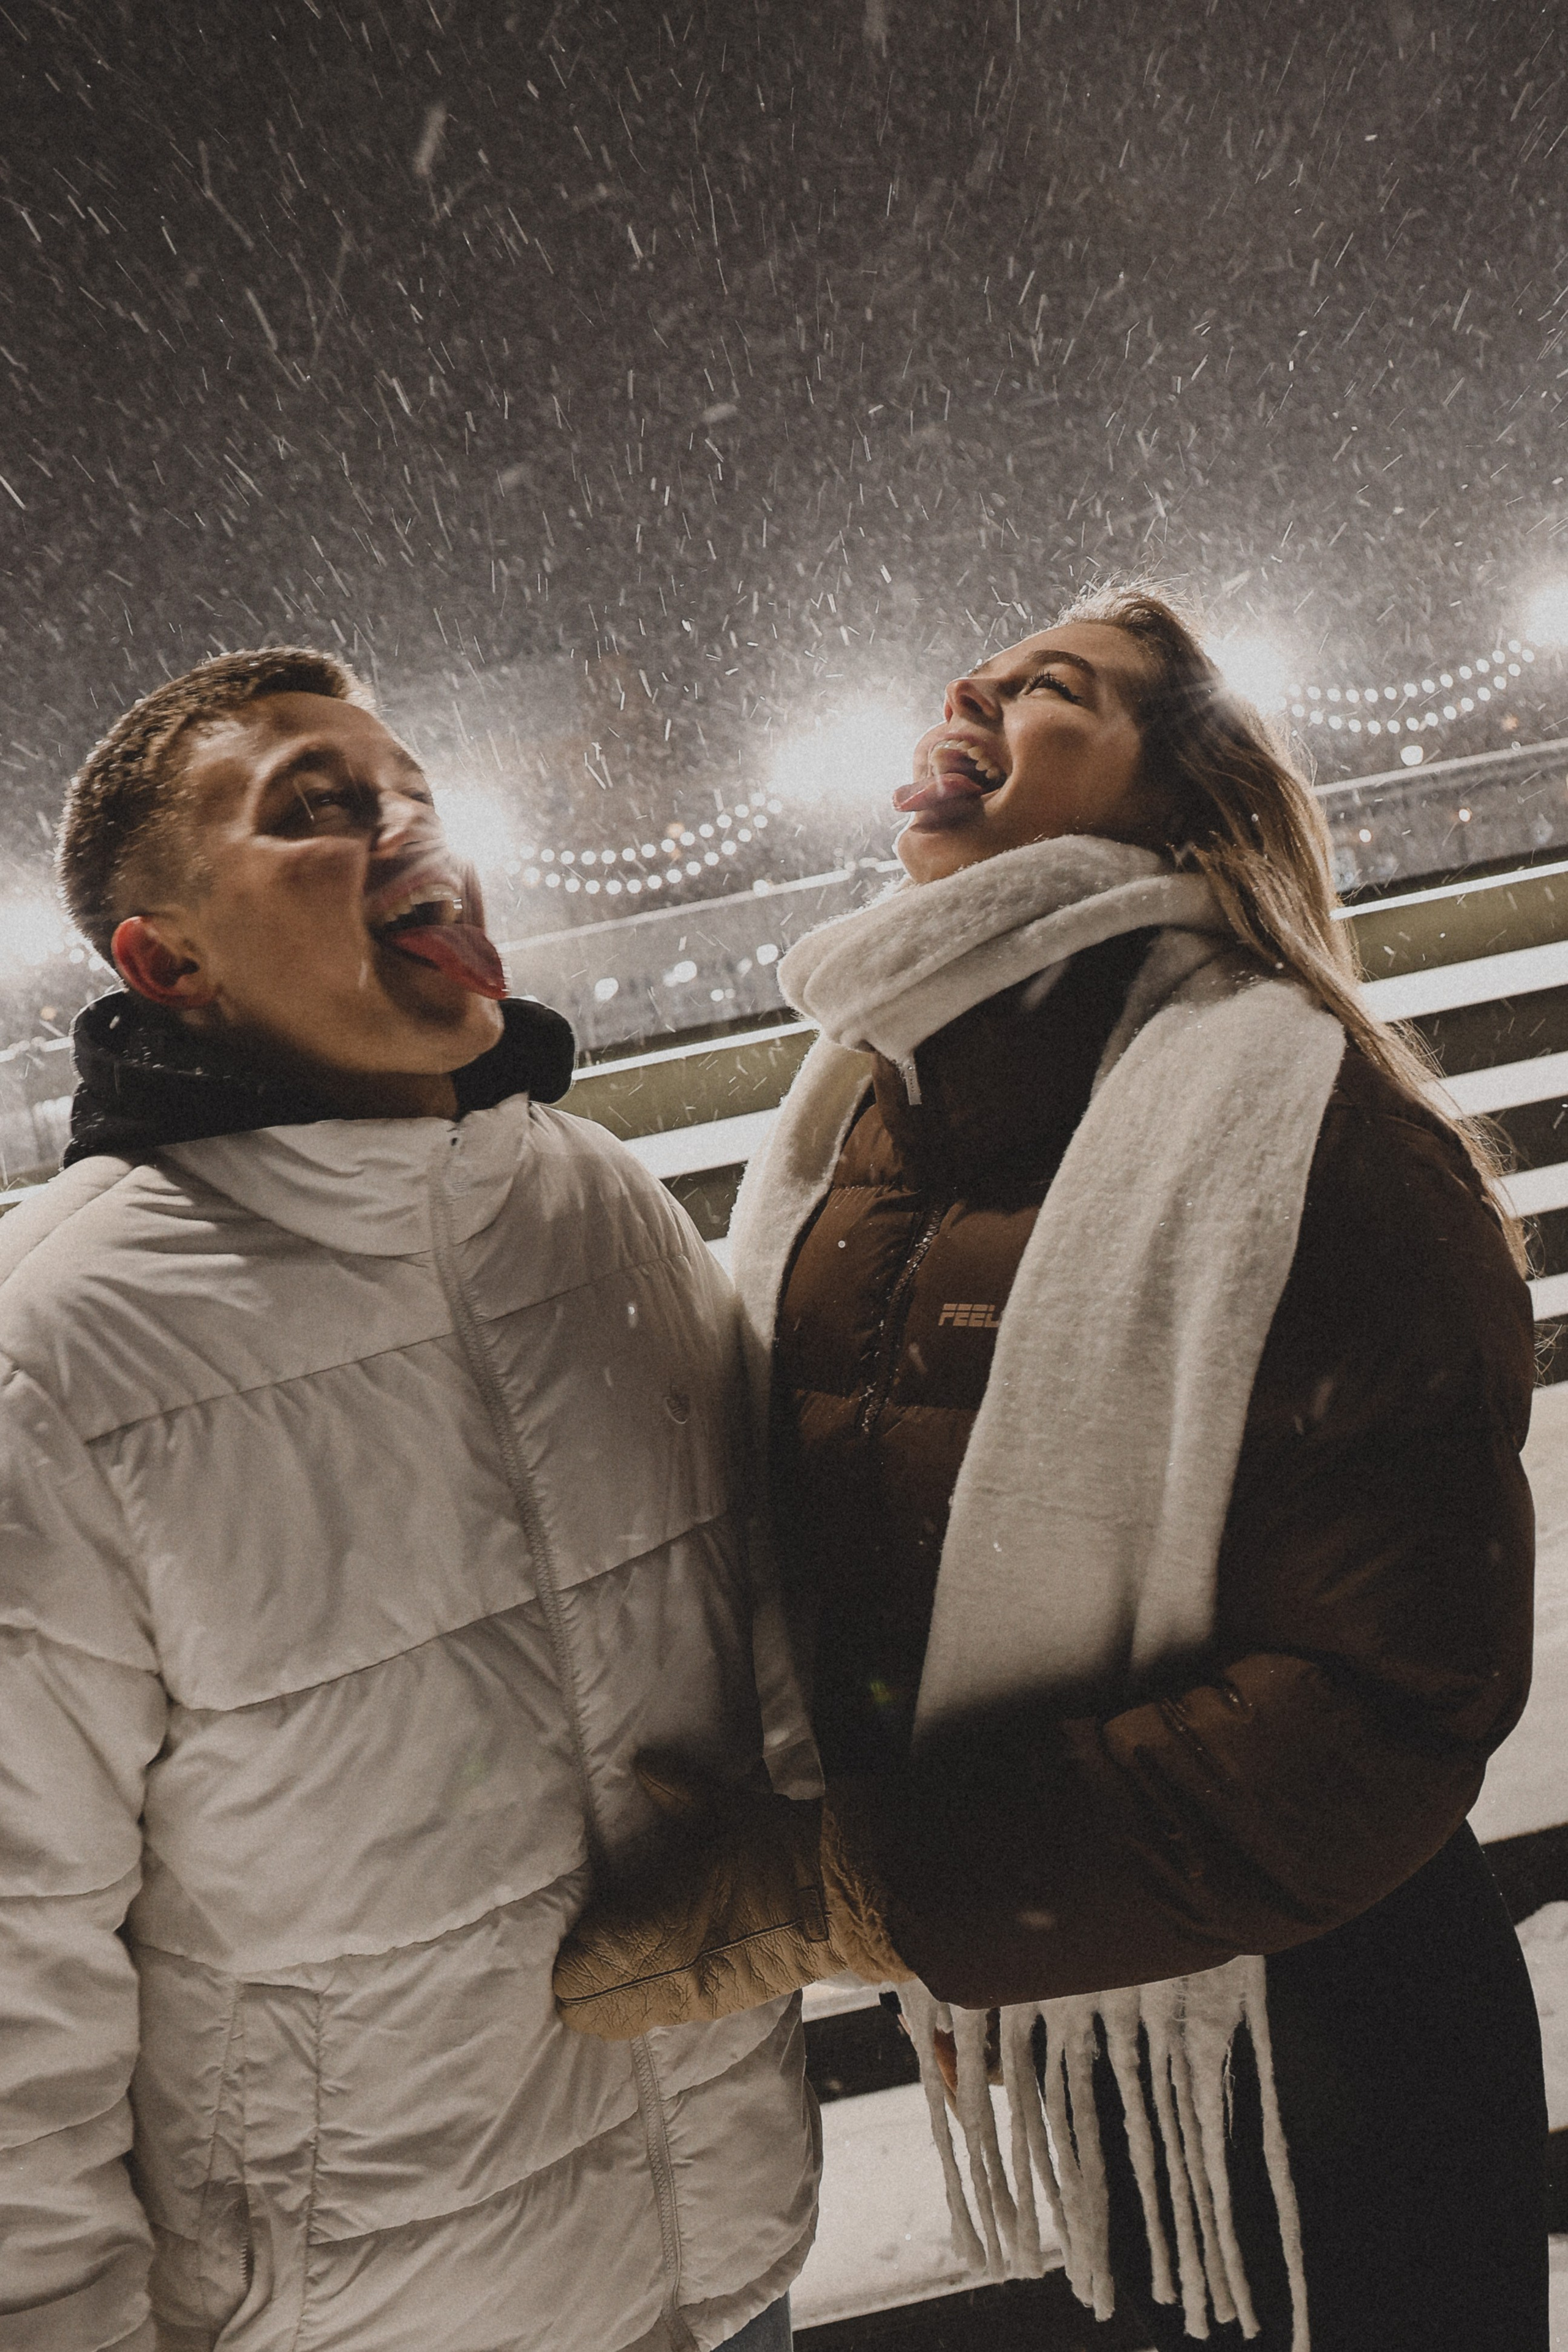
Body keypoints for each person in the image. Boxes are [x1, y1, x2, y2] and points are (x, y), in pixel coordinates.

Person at [554, 589, 1550, 2351]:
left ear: (1180, 806)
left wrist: (862, 1884)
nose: (976, 689)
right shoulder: (857, 1119)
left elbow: (1384, 1706)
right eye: (984, 671)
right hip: (1070, 2034)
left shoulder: (1317, 1133)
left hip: (1325, 2034)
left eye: (1056, 690)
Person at [0, 649, 814, 2352]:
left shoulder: (597, 1206)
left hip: (722, 2258)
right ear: (168, 963)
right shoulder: (55, 1353)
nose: (403, 824)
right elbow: (18, 1944)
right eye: (315, 805)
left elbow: (776, 1634)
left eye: (412, 790)